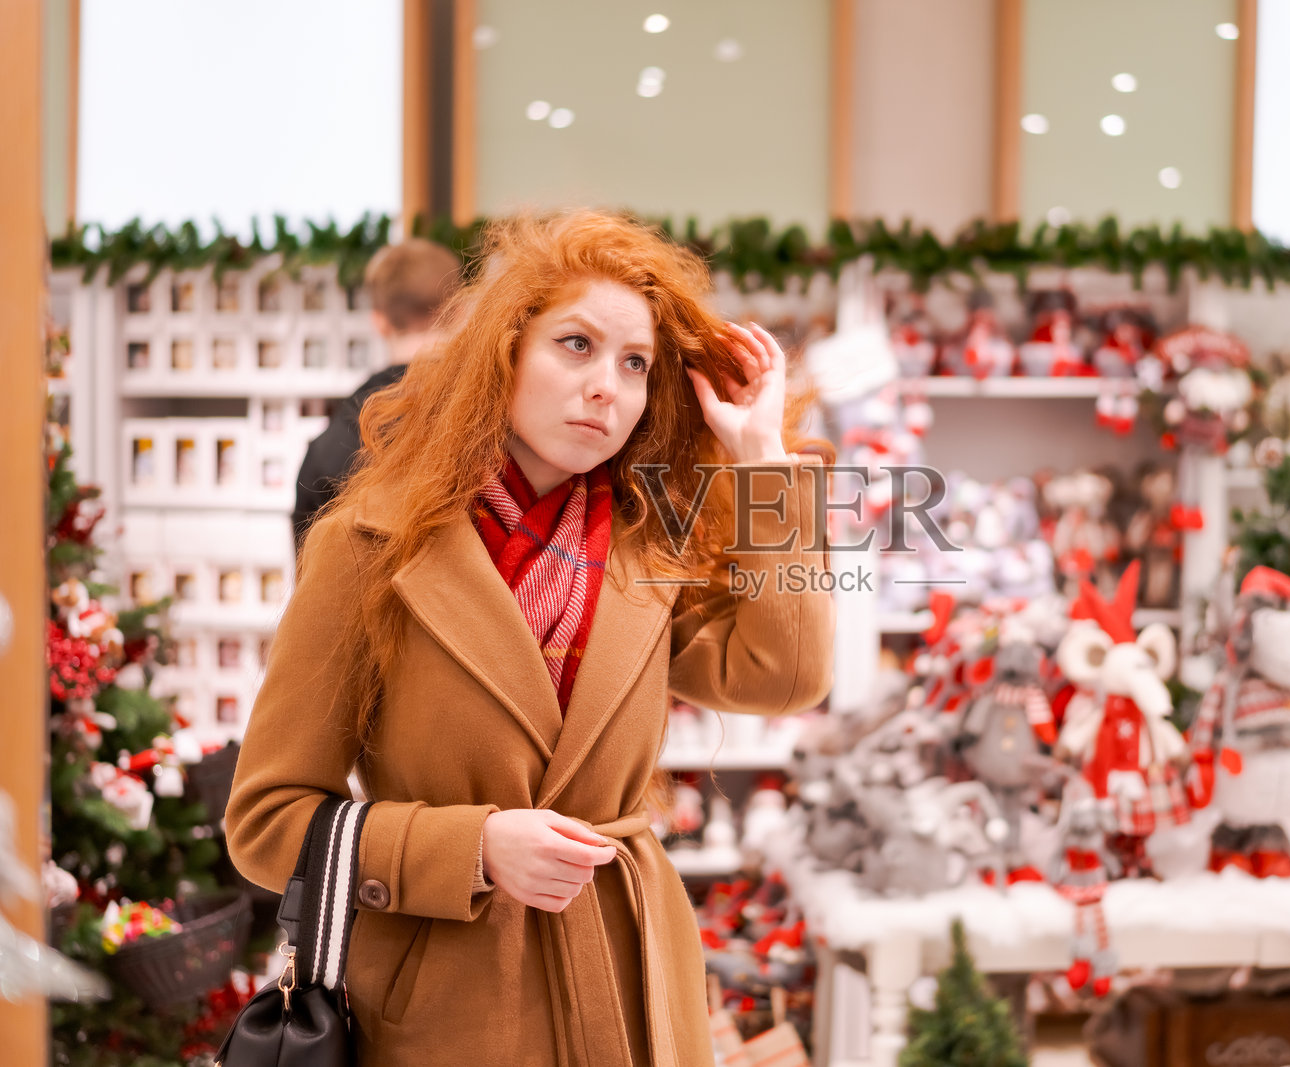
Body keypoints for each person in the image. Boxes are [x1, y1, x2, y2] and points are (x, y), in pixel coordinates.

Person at [225, 210, 835, 1065]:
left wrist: (763, 456)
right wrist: (470, 847)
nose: (605, 388)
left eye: (635, 364)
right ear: (506, 350)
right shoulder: (369, 544)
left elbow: (786, 674)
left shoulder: (649, 546)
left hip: (631, 984)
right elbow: (265, 819)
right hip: (446, 1002)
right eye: (575, 345)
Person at [290, 237, 462, 552]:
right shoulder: (500, 419)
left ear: (379, 323)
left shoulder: (331, 445)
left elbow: (309, 583)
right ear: (459, 311)